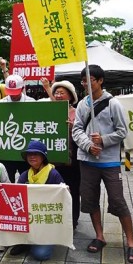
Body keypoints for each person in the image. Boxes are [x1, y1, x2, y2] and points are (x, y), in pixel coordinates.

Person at [71, 65, 133, 264]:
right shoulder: (83, 105)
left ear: (101, 80)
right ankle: (100, 236)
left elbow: (122, 131)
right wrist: (88, 145)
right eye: (84, 80)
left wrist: (102, 140)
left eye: (90, 79)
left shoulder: (113, 104)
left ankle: (131, 242)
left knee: (118, 201)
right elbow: (76, 130)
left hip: (109, 162)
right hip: (86, 161)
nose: (86, 83)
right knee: (90, 199)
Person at [7, 140, 65, 260]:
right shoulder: (24, 175)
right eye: (29, 154)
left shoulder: (53, 174)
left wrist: (65, 191)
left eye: (36, 154)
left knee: (41, 254)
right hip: (28, 219)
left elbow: (63, 198)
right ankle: (25, 241)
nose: (32, 157)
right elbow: (16, 197)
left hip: (46, 221)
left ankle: (40, 241)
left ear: (43, 157)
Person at [40, 78, 81, 229]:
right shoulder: (50, 110)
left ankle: (73, 219)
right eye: (56, 92)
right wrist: (46, 87)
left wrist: (74, 127)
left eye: (62, 93)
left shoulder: (77, 113)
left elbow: (83, 134)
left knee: (73, 190)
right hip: (51, 161)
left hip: (70, 161)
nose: (58, 95)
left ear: (70, 96)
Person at [0, 75, 36, 182]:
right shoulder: (0, 104)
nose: (13, 96)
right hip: (7, 150)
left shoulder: (31, 103)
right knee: (7, 181)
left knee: (27, 180)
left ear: (23, 89)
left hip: (25, 150)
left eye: (16, 92)